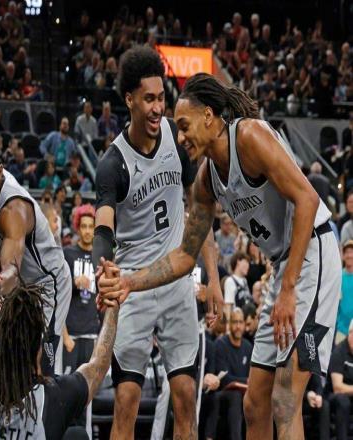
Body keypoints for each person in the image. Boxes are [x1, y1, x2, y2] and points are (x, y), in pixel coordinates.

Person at [99, 73, 342, 440]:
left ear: (209, 116)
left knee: (285, 399)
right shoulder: (206, 180)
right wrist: (129, 282)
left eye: (184, 126)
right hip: (285, 265)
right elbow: (185, 256)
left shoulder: (249, 136)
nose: (180, 138)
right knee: (254, 404)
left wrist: (288, 289)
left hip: (313, 253)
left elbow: (307, 198)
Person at [92, 47, 222, 439]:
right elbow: (103, 230)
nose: (157, 108)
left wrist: (214, 277)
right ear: (129, 99)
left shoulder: (177, 140)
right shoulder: (112, 163)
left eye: (161, 98)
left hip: (176, 282)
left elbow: (201, 213)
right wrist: (104, 270)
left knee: (185, 398)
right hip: (133, 286)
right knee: (126, 403)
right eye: (148, 99)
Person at [0, 262, 120, 439]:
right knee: (77, 435)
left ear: (0, 347)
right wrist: (112, 299)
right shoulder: (53, 398)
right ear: (38, 350)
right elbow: (99, 364)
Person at [0, 136, 71, 377]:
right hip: (23, 285)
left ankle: (47, 398)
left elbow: (12, 271)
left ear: (0, 171)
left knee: (41, 365)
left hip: (49, 283)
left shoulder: (14, 210)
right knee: (12, 357)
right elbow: (1, 239)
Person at [62, 204, 98, 435]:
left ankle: (84, 436)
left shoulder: (100, 257)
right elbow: (57, 296)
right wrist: (73, 284)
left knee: (87, 394)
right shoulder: (68, 254)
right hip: (71, 336)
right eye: (83, 226)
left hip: (92, 334)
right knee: (66, 392)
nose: (86, 231)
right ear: (77, 227)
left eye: (90, 226)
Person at [206, 308, 252, 440]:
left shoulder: (248, 347)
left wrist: (249, 382)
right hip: (222, 393)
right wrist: (247, 381)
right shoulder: (220, 344)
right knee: (235, 396)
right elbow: (225, 378)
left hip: (245, 393)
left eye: (240, 322)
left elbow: (252, 376)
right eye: (235, 322)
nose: (238, 326)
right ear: (229, 324)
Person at [329, 319, 353, 440]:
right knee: (343, 401)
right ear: (350, 334)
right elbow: (337, 387)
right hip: (334, 395)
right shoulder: (339, 352)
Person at [224, 252, 253, 321]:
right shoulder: (230, 281)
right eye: (246, 262)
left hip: (247, 321)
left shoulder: (244, 281)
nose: (248, 266)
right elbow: (228, 306)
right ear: (238, 261)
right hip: (237, 322)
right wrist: (228, 326)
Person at [336, 240, 353, 343]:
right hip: (341, 331)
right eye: (347, 252)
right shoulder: (338, 277)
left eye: (351, 252)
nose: (349, 255)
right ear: (343, 256)